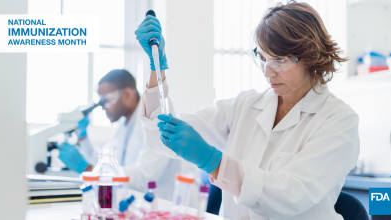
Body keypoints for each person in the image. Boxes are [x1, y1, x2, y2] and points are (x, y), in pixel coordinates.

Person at [136, 1, 360, 219]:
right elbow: (160, 134)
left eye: (279, 61)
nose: (267, 72)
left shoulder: (338, 120)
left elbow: (291, 195)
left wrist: (214, 162)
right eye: (262, 58)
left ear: (311, 56)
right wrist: (157, 66)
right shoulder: (245, 106)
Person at [58, 69, 199, 205]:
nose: (103, 107)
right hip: (146, 204)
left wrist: (88, 169)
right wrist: (83, 137)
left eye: (105, 100)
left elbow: (145, 176)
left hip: (174, 206)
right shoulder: (124, 124)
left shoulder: (155, 120)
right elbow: (105, 161)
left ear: (127, 95)